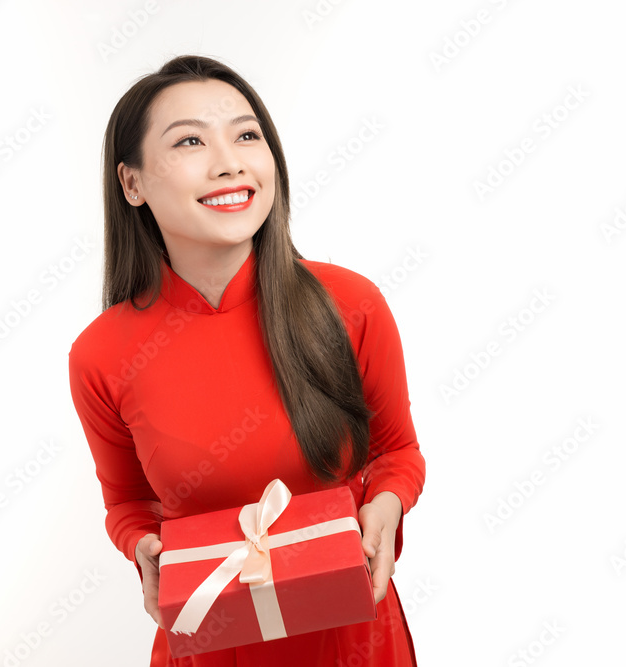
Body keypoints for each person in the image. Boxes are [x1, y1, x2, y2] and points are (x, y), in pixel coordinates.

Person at [68, 54, 426, 666]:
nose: (229, 161)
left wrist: (386, 507)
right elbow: (127, 503)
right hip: (207, 639)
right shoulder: (101, 354)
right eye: (189, 141)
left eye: (246, 134)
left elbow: (398, 453)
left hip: (353, 639)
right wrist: (143, 548)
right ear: (132, 184)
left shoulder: (351, 305)